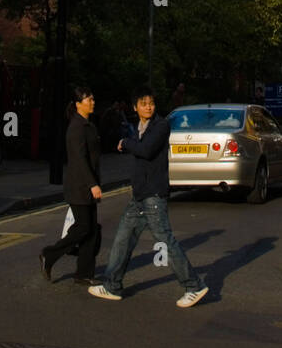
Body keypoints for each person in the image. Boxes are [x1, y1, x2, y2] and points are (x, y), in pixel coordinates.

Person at [89, 87, 208, 307]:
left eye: (151, 103)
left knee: (166, 241)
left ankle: (194, 286)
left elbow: (146, 150)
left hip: (153, 195)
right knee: (123, 239)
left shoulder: (161, 125)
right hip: (140, 195)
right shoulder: (140, 127)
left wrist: (125, 143)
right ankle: (112, 285)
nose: (148, 107)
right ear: (135, 107)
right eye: (143, 104)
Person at [39, 87, 102, 285]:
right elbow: (78, 160)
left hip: (87, 185)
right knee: (82, 227)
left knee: (90, 230)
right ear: (77, 104)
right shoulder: (76, 127)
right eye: (88, 99)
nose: (92, 102)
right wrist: (93, 185)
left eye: (92, 98)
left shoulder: (86, 124)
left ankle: (84, 274)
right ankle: (49, 255)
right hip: (79, 187)